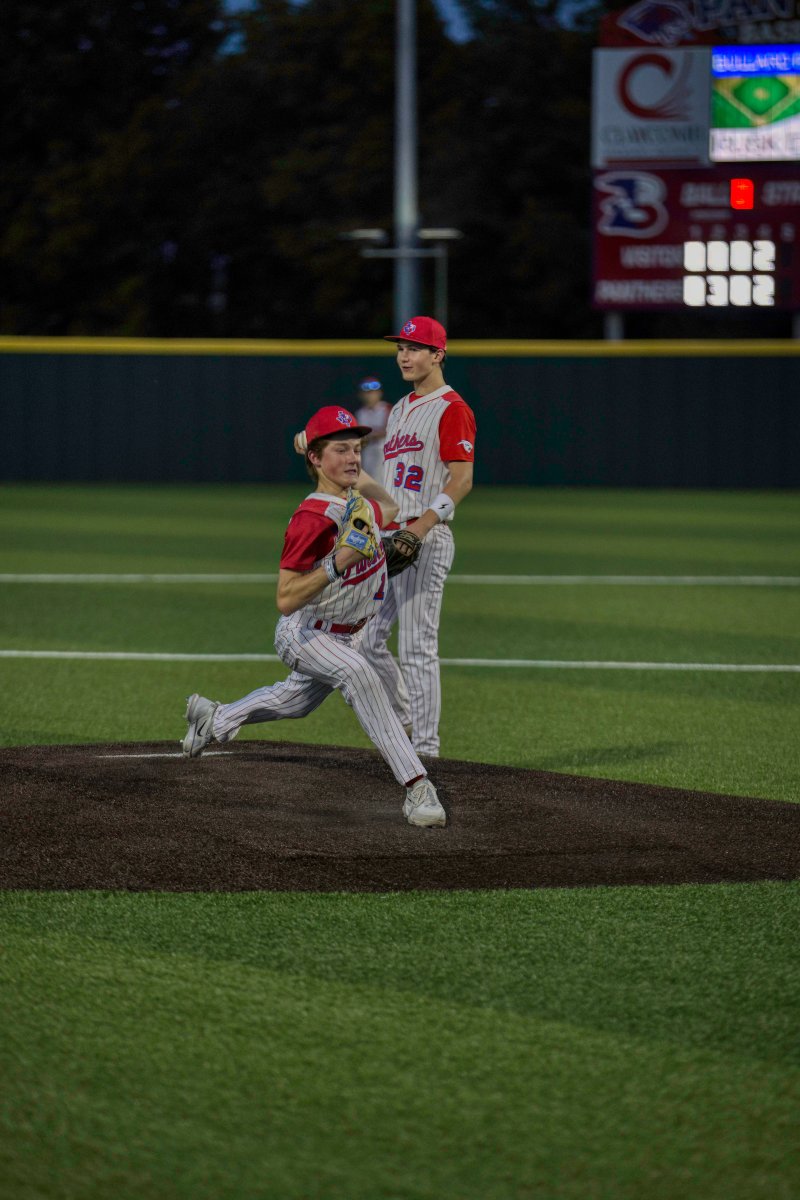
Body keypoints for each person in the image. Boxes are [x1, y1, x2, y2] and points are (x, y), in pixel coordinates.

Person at [181, 405, 446, 828]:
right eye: (341, 450)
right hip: (304, 632)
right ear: (316, 458)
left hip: (345, 634)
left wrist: (352, 473)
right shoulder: (312, 518)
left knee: (293, 702)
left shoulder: (356, 502)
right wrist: (339, 562)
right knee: (360, 675)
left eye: (356, 449)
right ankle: (417, 786)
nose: (353, 458)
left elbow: (390, 506)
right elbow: (285, 598)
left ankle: (215, 718)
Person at [361, 316, 476, 758]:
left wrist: (421, 527)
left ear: (437, 355)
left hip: (424, 537)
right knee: (365, 640)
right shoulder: (400, 408)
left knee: (416, 647)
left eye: (413, 348)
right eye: (400, 348)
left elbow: (462, 480)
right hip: (390, 538)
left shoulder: (452, 408)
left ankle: (427, 750)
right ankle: (408, 717)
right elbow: (390, 485)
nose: (404, 356)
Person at [354, 376, 392, 480]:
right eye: (367, 393)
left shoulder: (387, 408)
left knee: (382, 480)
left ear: (379, 393)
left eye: (373, 392)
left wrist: (369, 435)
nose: (370, 396)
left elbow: (390, 430)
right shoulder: (360, 413)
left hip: (384, 450)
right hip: (367, 450)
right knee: (368, 479)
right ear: (361, 395)